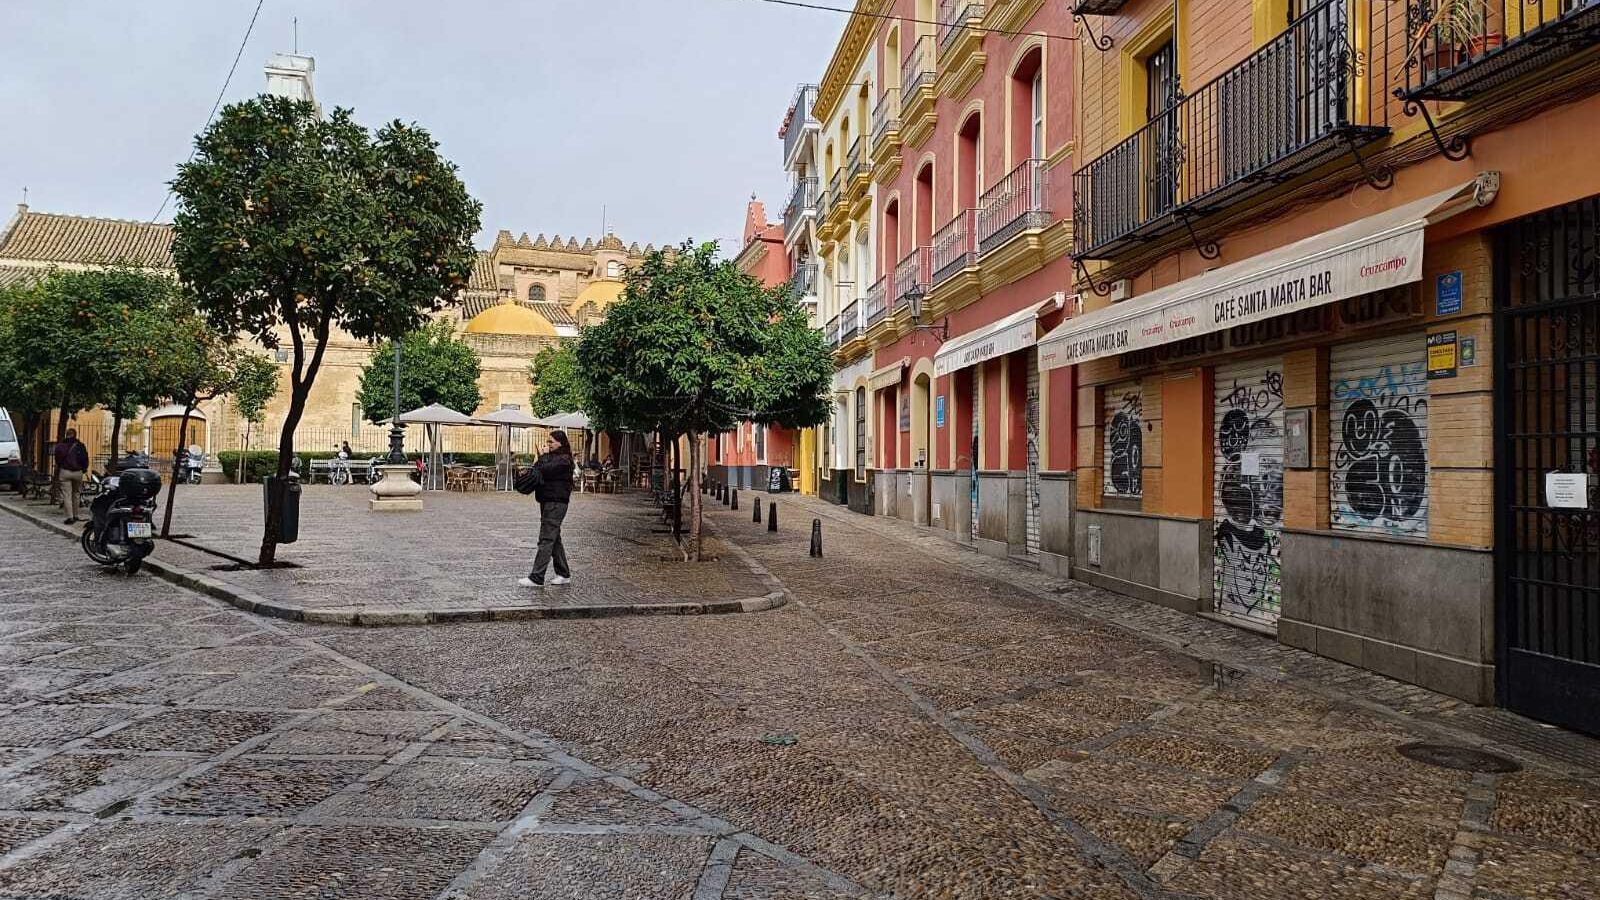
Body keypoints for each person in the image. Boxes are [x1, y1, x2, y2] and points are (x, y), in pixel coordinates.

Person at [519, 430, 575, 589]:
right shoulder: (552, 457)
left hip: (556, 502)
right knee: (554, 538)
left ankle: (537, 577)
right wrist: (542, 458)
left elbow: (545, 470)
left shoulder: (564, 460)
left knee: (546, 539)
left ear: (560, 443)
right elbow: (537, 469)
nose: (548, 444)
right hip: (548, 500)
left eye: (551, 442)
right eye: (547, 442)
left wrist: (543, 457)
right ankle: (563, 573)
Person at [54, 428, 90, 525]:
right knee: (76, 494)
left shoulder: (60, 446)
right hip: (78, 472)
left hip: (65, 472)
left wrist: (61, 466)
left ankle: (69, 517)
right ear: (75, 435)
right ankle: (76, 515)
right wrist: (84, 469)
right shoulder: (80, 446)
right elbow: (85, 459)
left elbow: (57, 459)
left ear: (66, 435)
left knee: (67, 495)